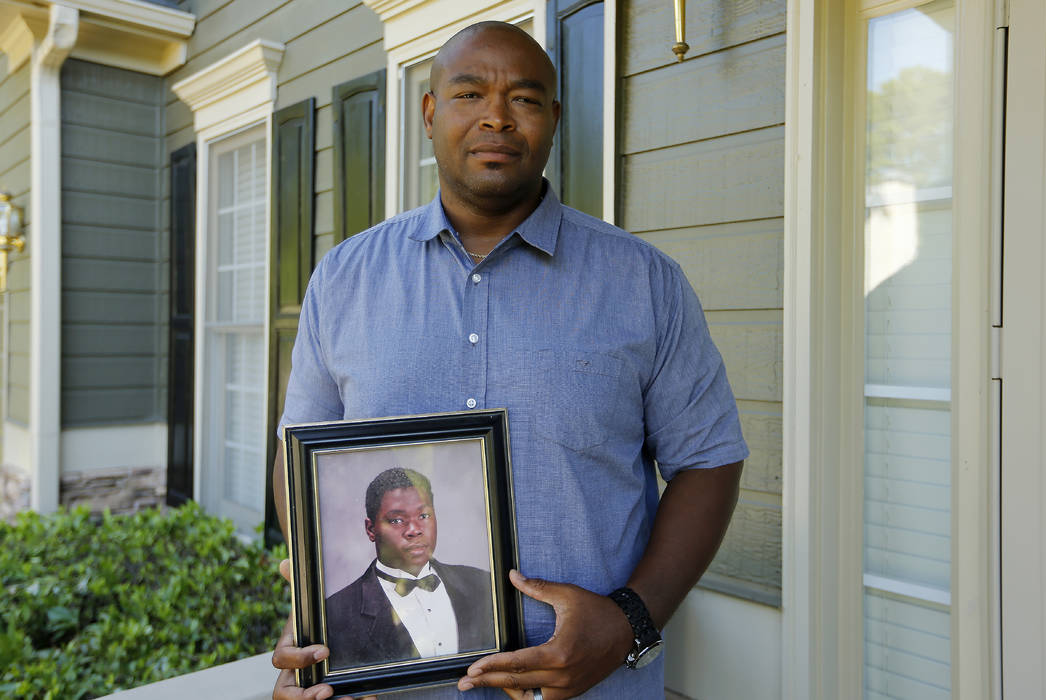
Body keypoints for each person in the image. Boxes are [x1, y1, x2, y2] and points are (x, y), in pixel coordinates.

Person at [271, 19, 748, 700]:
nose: (497, 116)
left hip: (593, 686)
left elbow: (708, 459)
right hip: (388, 688)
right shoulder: (344, 279)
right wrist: (322, 604)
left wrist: (629, 621)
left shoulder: (645, 284)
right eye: (469, 94)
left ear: (553, 120)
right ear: (431, 113)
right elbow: (300, 459)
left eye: (524, 99)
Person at [325, 467, 494, 668]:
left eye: (423, 516)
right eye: (397, 520)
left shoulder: (483, 584)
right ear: (371, 529)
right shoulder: (335, 614)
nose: (414, 530)